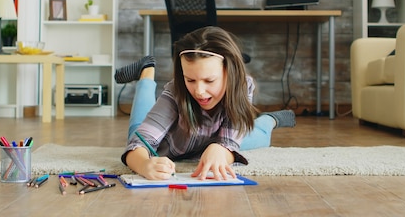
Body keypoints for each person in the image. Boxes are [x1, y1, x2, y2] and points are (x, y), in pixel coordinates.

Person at [117, 26, 296, 181]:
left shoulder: (242, 85)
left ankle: (272, 118)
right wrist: (144, 165)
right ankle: (146, 70)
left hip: (209, 138)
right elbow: (137, 146)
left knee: (259, 137)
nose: (199, 91)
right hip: (169, 144)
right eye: (190, 80)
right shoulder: (175, 91)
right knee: (137, 129)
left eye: (210, 80)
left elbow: (229, 143)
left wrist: (220, 149)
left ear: (230, 72)